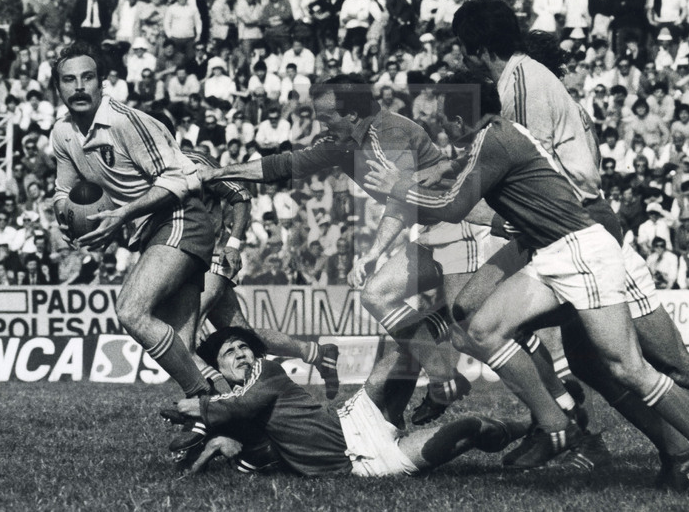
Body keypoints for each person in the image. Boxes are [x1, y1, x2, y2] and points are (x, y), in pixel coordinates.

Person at [449, 1, 689, 486]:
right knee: (591, 360)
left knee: (666, 362)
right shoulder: (529, 83)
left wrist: (453, 203)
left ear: (476, 45)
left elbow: (539, 183)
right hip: (566, 232)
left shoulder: (518, 87)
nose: (460, 61)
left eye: (461, 49)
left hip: (582, 230)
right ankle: (669, 448)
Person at [363, 72, 689, 493]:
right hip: (550, 253)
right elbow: (460, 169)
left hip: (581, 254)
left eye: (443, 120)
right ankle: (555, 421)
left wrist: (400, 187)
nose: (440, 128)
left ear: (458, 119)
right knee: (479, 327)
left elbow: (454, 207)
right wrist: (429, 178)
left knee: (628, 368)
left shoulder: (495, 142)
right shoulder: (496, 133)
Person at [195, 75, 482, 427]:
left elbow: (401, 199)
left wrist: (374, 252)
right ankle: (430, 390)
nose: (320, 124)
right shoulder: (343, 142)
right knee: (390, 309)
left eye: (326, 116)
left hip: (462, 225)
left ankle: (551, 413)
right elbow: (281, 165)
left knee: (474, 329)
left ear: (352, 115)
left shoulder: (389, 133)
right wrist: (218, 173)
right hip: (432, 229)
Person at [50, 42, 214, 404]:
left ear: (101, 83)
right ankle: (235, 425)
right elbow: (64, 189)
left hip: (181, 217)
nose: (78, 87)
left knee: (131, 310)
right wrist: (65, 215)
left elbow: (181, 179)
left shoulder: (125, 121)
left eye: (87, 78)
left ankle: (206, 401)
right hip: (151, 233)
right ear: (58, 88)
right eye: (68, 79)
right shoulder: (62, 133)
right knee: (182, 352)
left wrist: (122, 214)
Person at [167, 326, 531, 476]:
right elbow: (257, 446)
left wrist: (199, 409)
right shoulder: (229, 401)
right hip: (365, 463)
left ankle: (453, 344)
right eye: (230, 353)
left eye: (244, 346)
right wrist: (228, 446)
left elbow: (240, 406)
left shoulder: (266, 371)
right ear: (218, 368)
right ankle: (529, 426)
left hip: (352, 420)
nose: (241, 354)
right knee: (467, 430)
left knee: (400, 352)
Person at [185, 150, 340, 400]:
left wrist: (233, 244)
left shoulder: (192, 160)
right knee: (241, 333)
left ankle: (211, 410)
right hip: (188, 257)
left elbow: (241, 196)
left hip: (214, 252)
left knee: (189, 330)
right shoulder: (146, 166)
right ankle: (318, 354)